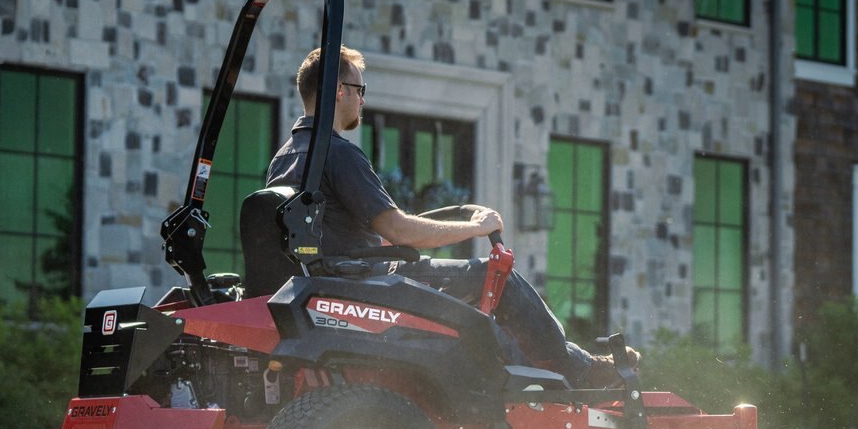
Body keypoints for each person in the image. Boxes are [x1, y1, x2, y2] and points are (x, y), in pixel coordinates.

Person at [265, 45, 637, 388]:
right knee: (496, 279)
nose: (363, 99)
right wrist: (476, 227)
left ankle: (540, 380)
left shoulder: (284, 157)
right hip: (367, 288)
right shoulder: (338, 154)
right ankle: (581, 373)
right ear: (337, 91)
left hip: (331, 285)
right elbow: (398, 229)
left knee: (479, 316)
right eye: (360, 89)